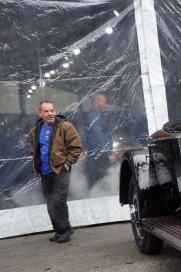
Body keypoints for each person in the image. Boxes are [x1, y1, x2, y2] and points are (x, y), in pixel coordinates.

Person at [29, 100, 82, 243]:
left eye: (52, 110)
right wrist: (36, 161)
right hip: (45, 171)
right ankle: (60, 230)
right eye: (46, 111)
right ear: (40, 113)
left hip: (60, 169)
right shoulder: (37, 128)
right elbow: (33, 145)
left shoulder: (65, 126)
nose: (50, 113)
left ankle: (65, 230)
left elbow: (76, 147)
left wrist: (67, 163)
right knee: (50, 202)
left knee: (58, 200)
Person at [84, 92, 117, 185]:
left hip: (99, 155)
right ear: (96, 102)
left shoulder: (97, 115)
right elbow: (99, 136)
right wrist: (108, 154)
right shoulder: (93, 116)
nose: (106, 104)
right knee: (99, 182)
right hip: (98, 157)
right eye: (104, 102)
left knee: (101, 181)